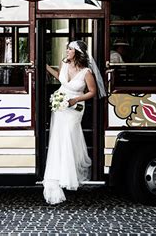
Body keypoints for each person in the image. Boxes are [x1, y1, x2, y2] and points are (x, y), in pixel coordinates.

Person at [43, 40, 106, 204]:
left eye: (70, 49)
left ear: (77, 53)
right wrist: (47, 68)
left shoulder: (86, 72)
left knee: (69, 136)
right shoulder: (63, 64)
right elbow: (60, 78)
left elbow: (92, 92)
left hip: (76, 107)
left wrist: (75, 99)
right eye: (67, 48)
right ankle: (58, 174)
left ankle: (69, 176)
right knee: (58, 138)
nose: (67, 50)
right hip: (60, 105)